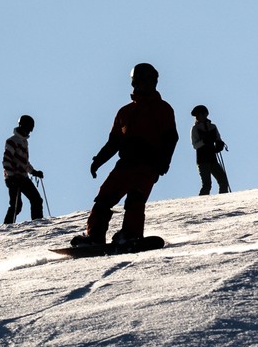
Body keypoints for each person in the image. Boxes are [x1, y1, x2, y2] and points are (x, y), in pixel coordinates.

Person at [73, 63, 179, 246]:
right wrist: (98, 160)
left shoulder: (163, 108)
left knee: (136, 200)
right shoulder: (125, 112)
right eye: (145, 80)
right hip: (126, 164)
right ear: (136, 83)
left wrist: (164, 162)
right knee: (104, 198)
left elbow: (171, 138)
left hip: (148, 164)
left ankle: (130, 234)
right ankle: (95, 236)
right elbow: (114, 142)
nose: (150, 84)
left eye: (152, 81)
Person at [2, 115, 45, 223]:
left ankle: (37, 222)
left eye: (30, 130)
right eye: (27, 129)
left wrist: (33, 172)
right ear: (22, 126)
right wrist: (11, 176)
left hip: (22, 177)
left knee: (36, 199)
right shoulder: (12, 141)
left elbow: (24, 162)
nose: (29, 132)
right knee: (16, 205)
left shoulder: (24, 142)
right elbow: (6, 161)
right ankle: (7, 226)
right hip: (13, 178)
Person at [190, 105, 230, 195]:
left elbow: (218, 139)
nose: (198, 117)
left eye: (199, 114)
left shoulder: (213, 127)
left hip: (212, 158)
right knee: (207, 184)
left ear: (205, 114)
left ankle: (223, 200)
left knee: (223, 180)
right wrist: (205, 141)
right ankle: (203, 204)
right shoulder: (195, 128)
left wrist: (219, 144)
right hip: (202, 160)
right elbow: (195, 145)